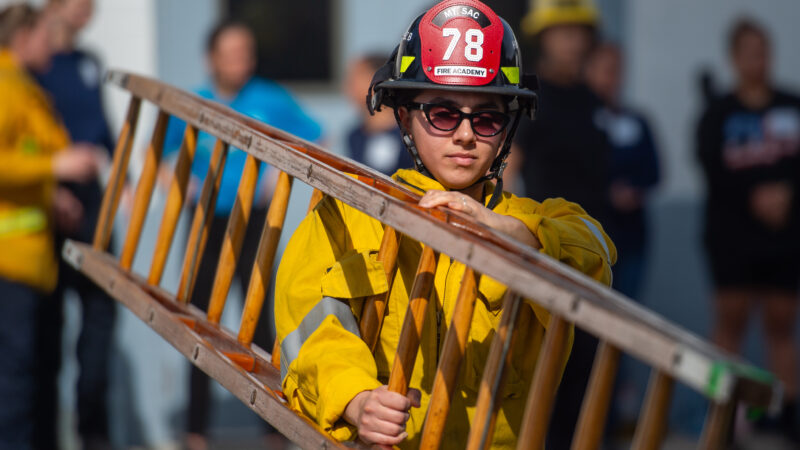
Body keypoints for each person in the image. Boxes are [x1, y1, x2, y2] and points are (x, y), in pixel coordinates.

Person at [274, 0, 616, 447]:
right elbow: (310, 324)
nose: (466, 134)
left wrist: (508, 233)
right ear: (404, 117)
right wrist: (356, 399)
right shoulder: (346, 216)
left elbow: (597, 254)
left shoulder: (533, 222)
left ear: (508, 129)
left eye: (489, 117)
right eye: (443, 113)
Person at [160, 19, 322, 449]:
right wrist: (175, 179)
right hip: (204, 226)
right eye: (230, 53)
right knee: (197, 324)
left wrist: (277, 169)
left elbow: (313, 135)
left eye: (246, 52)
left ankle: (274, 431)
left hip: (256, 227)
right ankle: (196, 433)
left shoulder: (269, 97)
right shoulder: (196, 102)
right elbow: (163, 150)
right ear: (211, 57)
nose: (240, 61)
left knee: (263, 326)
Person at [0, 3, 101, 448]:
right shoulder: (5, 86)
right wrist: (54, 165)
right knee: (16, 386)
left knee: (35, 380)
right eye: (45, 35)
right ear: (21, 39)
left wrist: (52, 192)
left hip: (31, 260)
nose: (52, 44)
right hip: (10, 261)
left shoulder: (23, 86)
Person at [514, 1, 614, 447]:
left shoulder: (594, 99)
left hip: (590, 248)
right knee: (545, 363)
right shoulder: (529, 94)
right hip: (541, 246)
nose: (573, 42)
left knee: (590, 361)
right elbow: (509, 164)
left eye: (579, 32)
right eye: (562, 32)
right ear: (544, 38)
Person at [696, 18, 800, 442]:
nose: (758, 60)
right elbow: (710, 165)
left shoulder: (792, 105)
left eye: (764, 50)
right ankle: (723, 418)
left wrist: (785, 194)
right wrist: (754, 197)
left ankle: (788, 414)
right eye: (749, 52)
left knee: (781, 324)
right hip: (733, 236)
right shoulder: (718, 113)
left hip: (785, 236)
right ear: (735, 58)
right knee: (730, 322)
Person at [33, 0, 117, 447]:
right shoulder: (31, 65)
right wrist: (50, 186)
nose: (88, 8)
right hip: (49, 204)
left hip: (94, 202)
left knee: (102, 315)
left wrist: (127, 178)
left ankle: (93, 433)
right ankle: (42, 434)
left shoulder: (89, 62)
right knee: (44, 327)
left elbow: (104, 132)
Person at [584, 42, 660, 300]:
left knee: (625, 308)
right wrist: (606, 193)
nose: (612, 78)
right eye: (606, 70)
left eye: (617, 71)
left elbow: (655, 171)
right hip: (590, 235)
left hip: (631, 236)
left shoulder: (637, 122)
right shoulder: (579, 122)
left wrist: (634, 190)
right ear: (589, 71)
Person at [344, 54, 413, 175]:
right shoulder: (354, 136)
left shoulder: (410, 133)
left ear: (377, 80)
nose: (347, 87)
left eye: (354, 79)